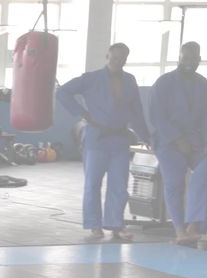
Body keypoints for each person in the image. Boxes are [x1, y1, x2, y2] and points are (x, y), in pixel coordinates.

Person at [57, 43, 151, 242]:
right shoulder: (91, 79)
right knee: (92, 184)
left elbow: (136, 112)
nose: (118, 61)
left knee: (119, 185)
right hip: (96, 138)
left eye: (122, 58)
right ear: (107, 56)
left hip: (119, 139)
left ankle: (116, 224)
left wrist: (146, 137)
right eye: (114, 57)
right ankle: (94, 224)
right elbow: (62, 92)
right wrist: (82, 113)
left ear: (126, 59)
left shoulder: (130, 80)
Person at [149, 42, 207, 245]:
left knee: (204, 174)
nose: (189, 62)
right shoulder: (164, 83)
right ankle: (180, 230)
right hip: (168, 142)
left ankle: (195, 225)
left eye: (194, 59)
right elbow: (157, 116)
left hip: (196, 142)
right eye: (185, 58)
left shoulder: (204, 84)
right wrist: (177, 139)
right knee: (174, 184)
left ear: (199, 60)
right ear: (179, 58)